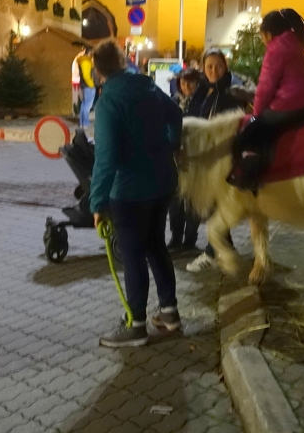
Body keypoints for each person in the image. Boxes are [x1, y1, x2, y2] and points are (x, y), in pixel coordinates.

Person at [89, 40, 184, 348]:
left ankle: (136, 325)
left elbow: (106, 159)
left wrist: (97, 203)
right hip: (163, 181)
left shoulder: (108, 102)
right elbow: (176, 115)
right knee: (156, 245)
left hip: (129, 191)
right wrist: (170, 144)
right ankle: (169, 312)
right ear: (123, 61)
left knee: (133, 256)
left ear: (98, 71)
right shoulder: (147, 86)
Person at [228, 9, 304, 192]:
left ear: (269, 34)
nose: (263, 41)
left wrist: (257, 115)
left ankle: (249, 176)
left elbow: (265, 87)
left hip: (289, 104)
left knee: (247, 135)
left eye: (262, 36)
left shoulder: (275, 50)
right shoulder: (295, 43)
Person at [186, 49, 248, 272]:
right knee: (213, 205)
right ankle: (225, 248)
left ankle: (212, 252)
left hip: (223, 157)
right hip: (205, 156)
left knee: (215, 205)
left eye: (218, 66)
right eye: (209, 66)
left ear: (225, 66)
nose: (214, 71)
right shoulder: (203, 90)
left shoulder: (232, 92)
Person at [168, 69, 204, 253]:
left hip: (196, 157)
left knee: (193, 200)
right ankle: (176, 237)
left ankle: (190, 239)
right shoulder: (173, 102)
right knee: (175, 199)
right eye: (182, 83)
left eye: (190, 82)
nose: (186, 87)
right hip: (175, 157)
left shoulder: (203, 102)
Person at [76, 46, 97, 130]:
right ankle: (85, 123)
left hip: (84, 85)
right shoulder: (86, 62)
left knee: (84, 104)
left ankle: (82, 122)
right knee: (87, 105)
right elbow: (86, 76)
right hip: (88, 86)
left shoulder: (84, 61)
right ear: (90, 52)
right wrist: (92, 85)